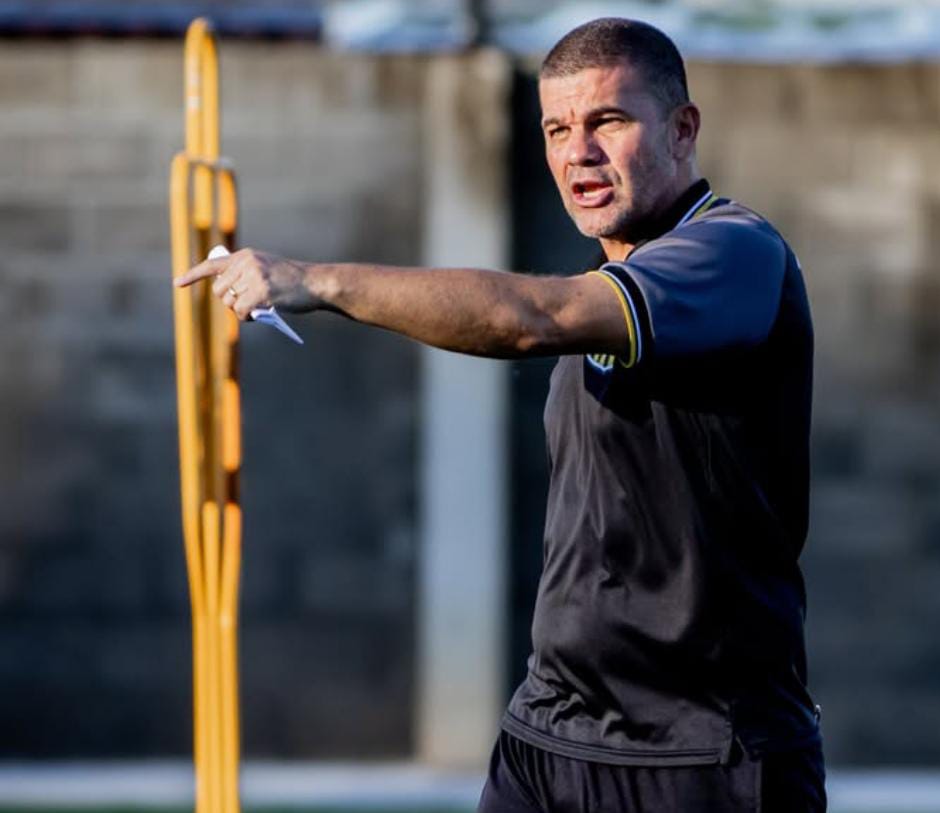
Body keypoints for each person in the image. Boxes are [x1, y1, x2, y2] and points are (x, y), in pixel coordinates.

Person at [176, 17, 825, 812]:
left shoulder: (735, 253)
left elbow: (531, 318)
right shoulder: (604, 278)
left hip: (702, 754)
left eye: (607, 121)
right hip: (549, 737)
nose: (578, 152)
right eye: (557, 129)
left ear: (682, 129)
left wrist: (316, 281)